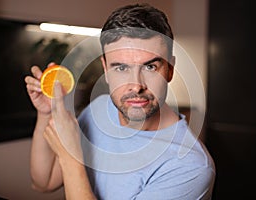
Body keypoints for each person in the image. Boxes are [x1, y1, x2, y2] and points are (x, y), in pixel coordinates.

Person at [25, 3, 215, 200]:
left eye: (150, 67)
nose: (136, 85)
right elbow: (43, 182)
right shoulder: (98, 109)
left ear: (169, 69)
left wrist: (71, 158)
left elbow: (68, 164)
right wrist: (47, 112)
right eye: (121, 68)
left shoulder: (190, 166)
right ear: (106, 69)